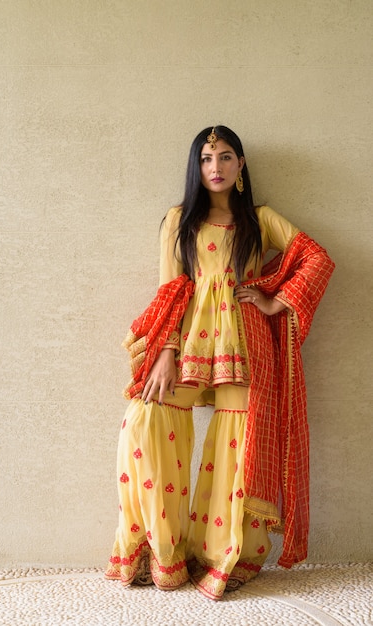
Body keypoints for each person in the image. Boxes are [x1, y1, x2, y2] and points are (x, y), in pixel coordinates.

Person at [105, 125, 334, 600]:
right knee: (144, 423)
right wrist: (164, 353)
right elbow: (171, 290)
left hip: (245, 345)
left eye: (226, 158)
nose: (216, 168)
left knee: (237, 448)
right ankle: (161, 550)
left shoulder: (261, 219)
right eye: (207, 159)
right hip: (185, 343)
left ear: (241, 165)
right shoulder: (178, 219)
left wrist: (275, 300)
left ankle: (221, 555)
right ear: (197, 166)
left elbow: (315, 257)